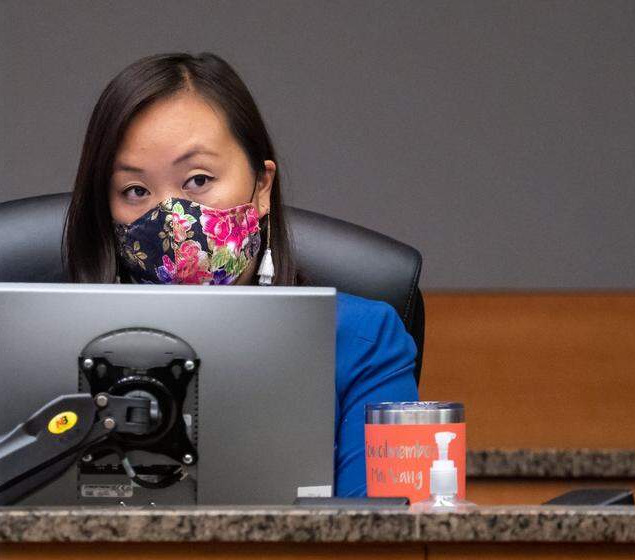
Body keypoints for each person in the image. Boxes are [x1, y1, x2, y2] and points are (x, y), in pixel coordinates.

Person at [63, 52, 418, 496]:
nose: (172, 218)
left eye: (198, 180)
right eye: (136, 190)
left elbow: (385, 545)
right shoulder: (45, 342)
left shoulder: (363, 340)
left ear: (262, 186)